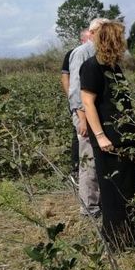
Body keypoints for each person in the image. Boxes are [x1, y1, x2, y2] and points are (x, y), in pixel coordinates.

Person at [80, 21, 135, 250]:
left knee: (129, 184)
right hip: (108, 139)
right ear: (112, 40)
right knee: (113, 189)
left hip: (125, 137)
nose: (124, 43)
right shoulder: (91, 67)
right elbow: (88, 103)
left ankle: (131, 234)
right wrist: (100, 136)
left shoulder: (113, 67)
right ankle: (117, 241)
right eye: (121, 38)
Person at [68, 19, 109, 217]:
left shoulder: (104, 52)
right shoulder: (82, 52)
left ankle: (100, 201)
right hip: (84, 114)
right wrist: (82, 119)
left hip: (98, 114)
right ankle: (89, 208)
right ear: (93, 32)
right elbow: (75, 90)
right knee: (88, 160)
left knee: (99, 158)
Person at [61, 29, 91, 185]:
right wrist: (72, 99)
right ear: (82, 40)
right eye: (88, 38)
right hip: (77, 101)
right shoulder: (74, 54)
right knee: (79, 133)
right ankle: (76, 170)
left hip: (89, 101)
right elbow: (66, 77)